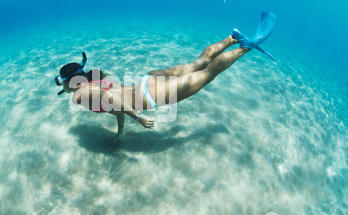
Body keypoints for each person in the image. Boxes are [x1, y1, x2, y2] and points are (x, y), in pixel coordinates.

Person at [54, 12, 276, 142]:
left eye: (64, 84)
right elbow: (113, 105)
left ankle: (248, 45)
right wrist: (120, 131)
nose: (64, 89)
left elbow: (113, 102)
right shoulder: (93, 82)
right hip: (146, 80)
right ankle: (232, 38)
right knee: (198, 64)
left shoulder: (81, 94)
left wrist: (138, 118)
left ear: (68, 81)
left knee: (208, 74)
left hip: (151, 95)